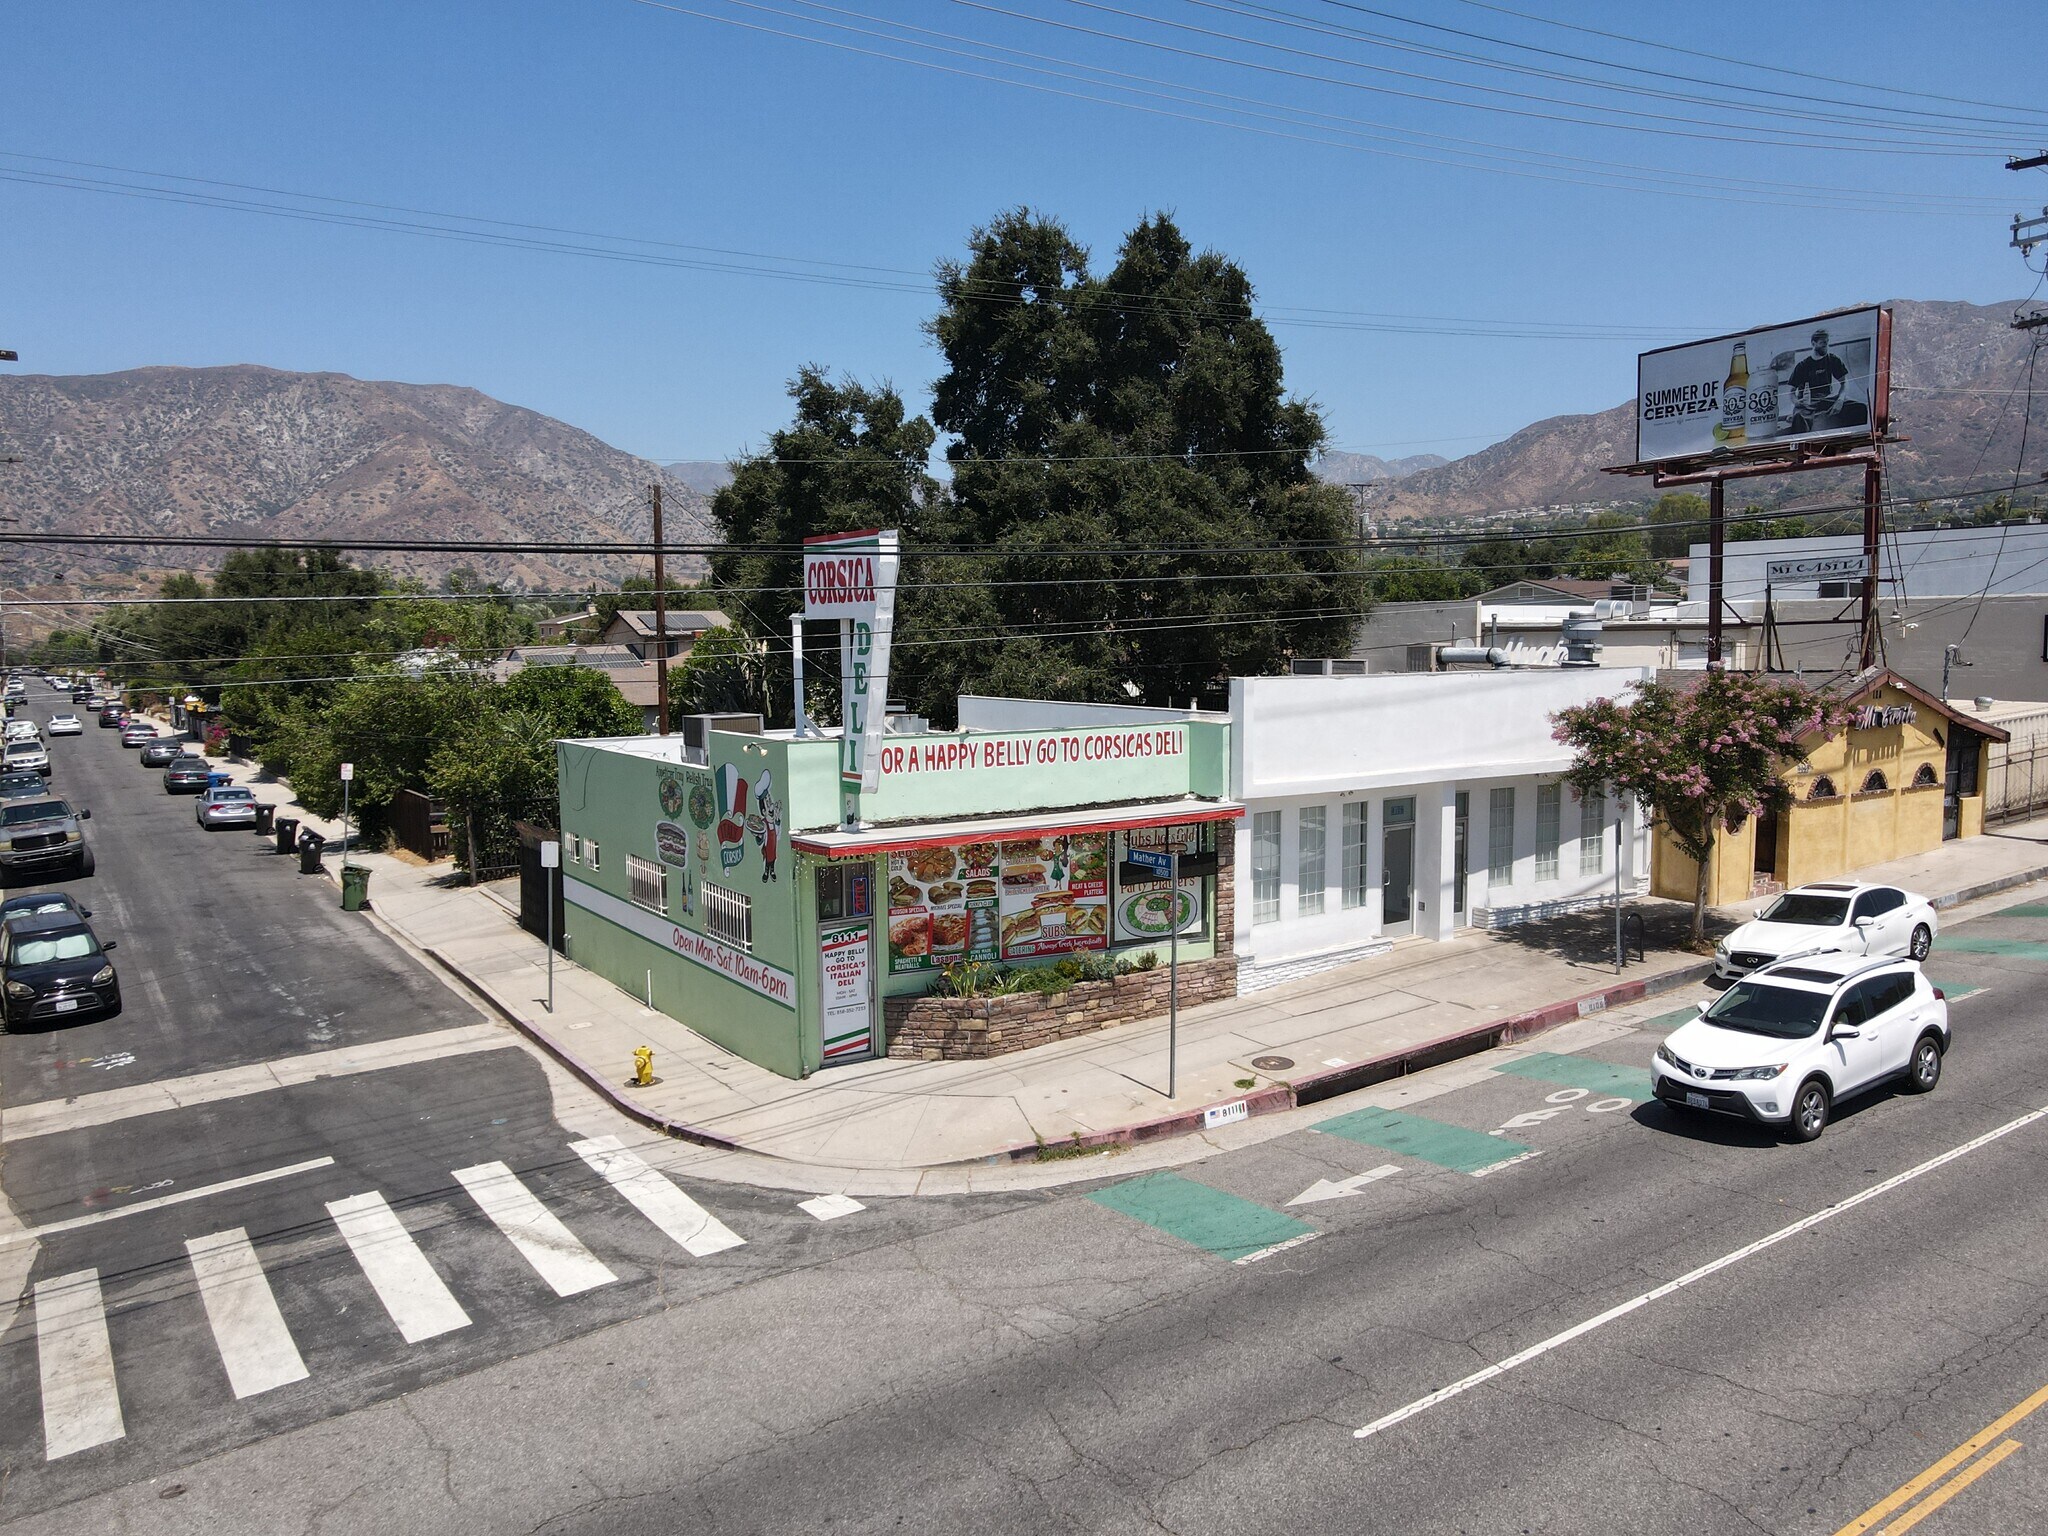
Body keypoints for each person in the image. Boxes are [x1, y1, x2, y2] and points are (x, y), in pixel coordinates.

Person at [1789, 329, 1865, 433]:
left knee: (1859, 407)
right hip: (1808, 403)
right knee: (1799, 417)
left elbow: (1844, 382)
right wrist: (1797, 402)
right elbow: (1792, 392)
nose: (1826, 345)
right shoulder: (1803, 365)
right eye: (1822, 343)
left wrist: (1840, 400)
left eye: (1827, 342)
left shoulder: (1832, 359)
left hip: (1827, 399)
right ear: (1813, 343)